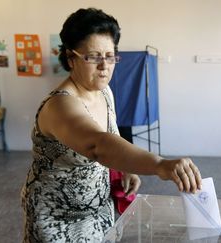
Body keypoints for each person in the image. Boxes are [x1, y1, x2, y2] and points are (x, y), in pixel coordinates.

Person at [21, 8, 202, 242]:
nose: (104, 66)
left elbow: (112, 135)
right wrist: (159, 164)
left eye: (110, 55)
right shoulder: (60, 105)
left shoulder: (104, 92)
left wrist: (126, 168)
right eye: (93, 56)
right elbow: (98, 144)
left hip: (99, 210)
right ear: (70, 57)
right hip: (58, 219)